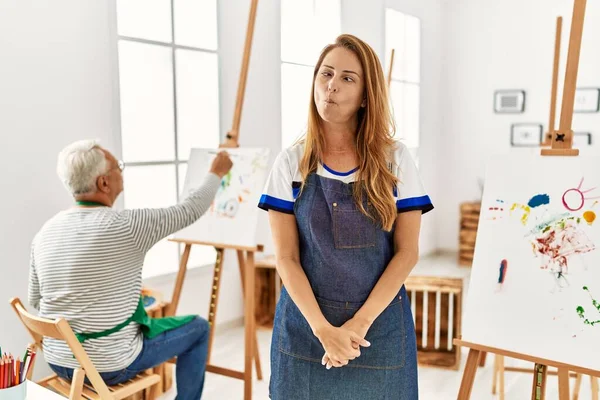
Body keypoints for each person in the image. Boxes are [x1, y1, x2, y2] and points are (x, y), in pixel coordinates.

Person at [258, 34, 434, 399]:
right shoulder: (291, 163)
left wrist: (358, 325)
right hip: (307, 330)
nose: (331, 86)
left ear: (366, 95)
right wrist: (324, 330)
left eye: (347, 78)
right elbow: (287, 258)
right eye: (326, 74)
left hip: (377, 330)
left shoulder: (394, 160)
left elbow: (407, 253)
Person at [28, 140, 232, 399]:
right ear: (104, 183)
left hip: (58, 359)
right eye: (118, 167)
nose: (121, 172)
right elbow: (190, 210)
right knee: (199, 328)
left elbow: (35, 299)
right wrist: (217, 172)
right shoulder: (129, 226)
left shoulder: (45, 232)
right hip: (109, 366)